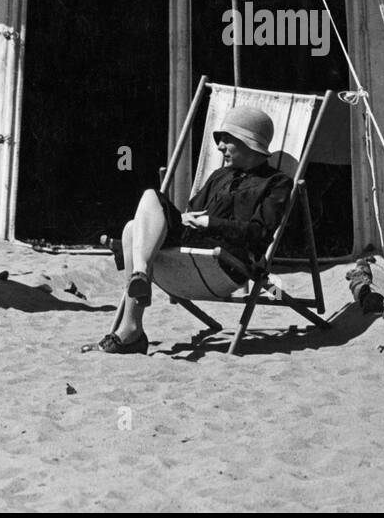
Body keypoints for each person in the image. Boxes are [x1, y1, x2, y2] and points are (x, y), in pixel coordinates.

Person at [88, 105, 292, 354]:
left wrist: (211, 223)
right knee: (135, 224)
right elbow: (193, 211)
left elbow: (260, 234)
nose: (220, 147)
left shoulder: (277, 183)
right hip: (194, 251)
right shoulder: (220, 175)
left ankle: (136, 295)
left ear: (249, 142)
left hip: (226, 263)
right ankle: (133, 321)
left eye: (227, 140)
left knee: (142, 214)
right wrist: (187, 218)